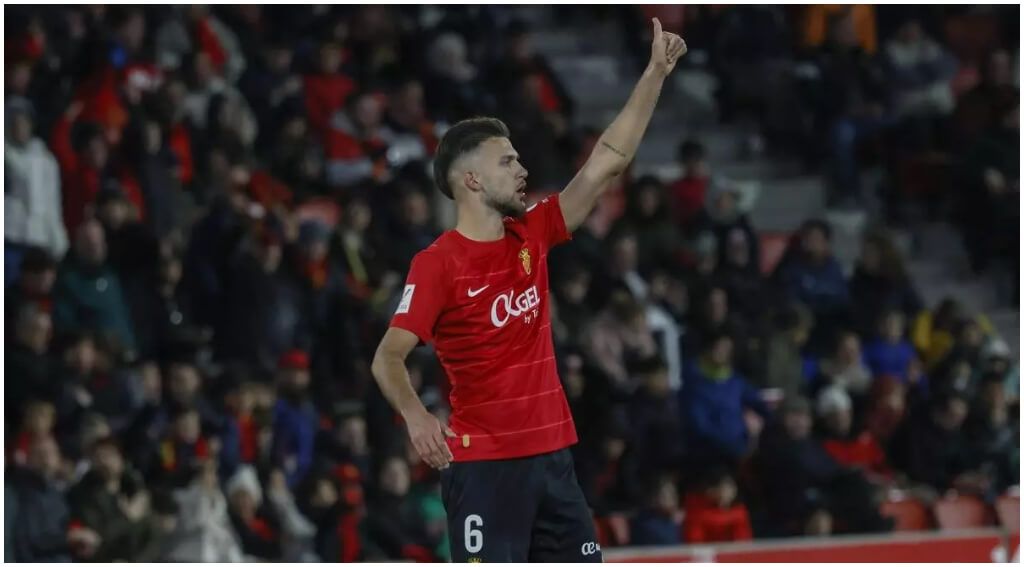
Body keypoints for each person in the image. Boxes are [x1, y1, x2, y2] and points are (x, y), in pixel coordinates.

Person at [370, 19, 686, 562]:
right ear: (471, 180)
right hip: (485, 470)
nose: (523, 169)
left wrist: (655, 74)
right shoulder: (438, 263)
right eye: (507, 161)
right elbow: (387, 358)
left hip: (552, 458)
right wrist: (418, 417)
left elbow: (608, 161)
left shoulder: (532, 231)